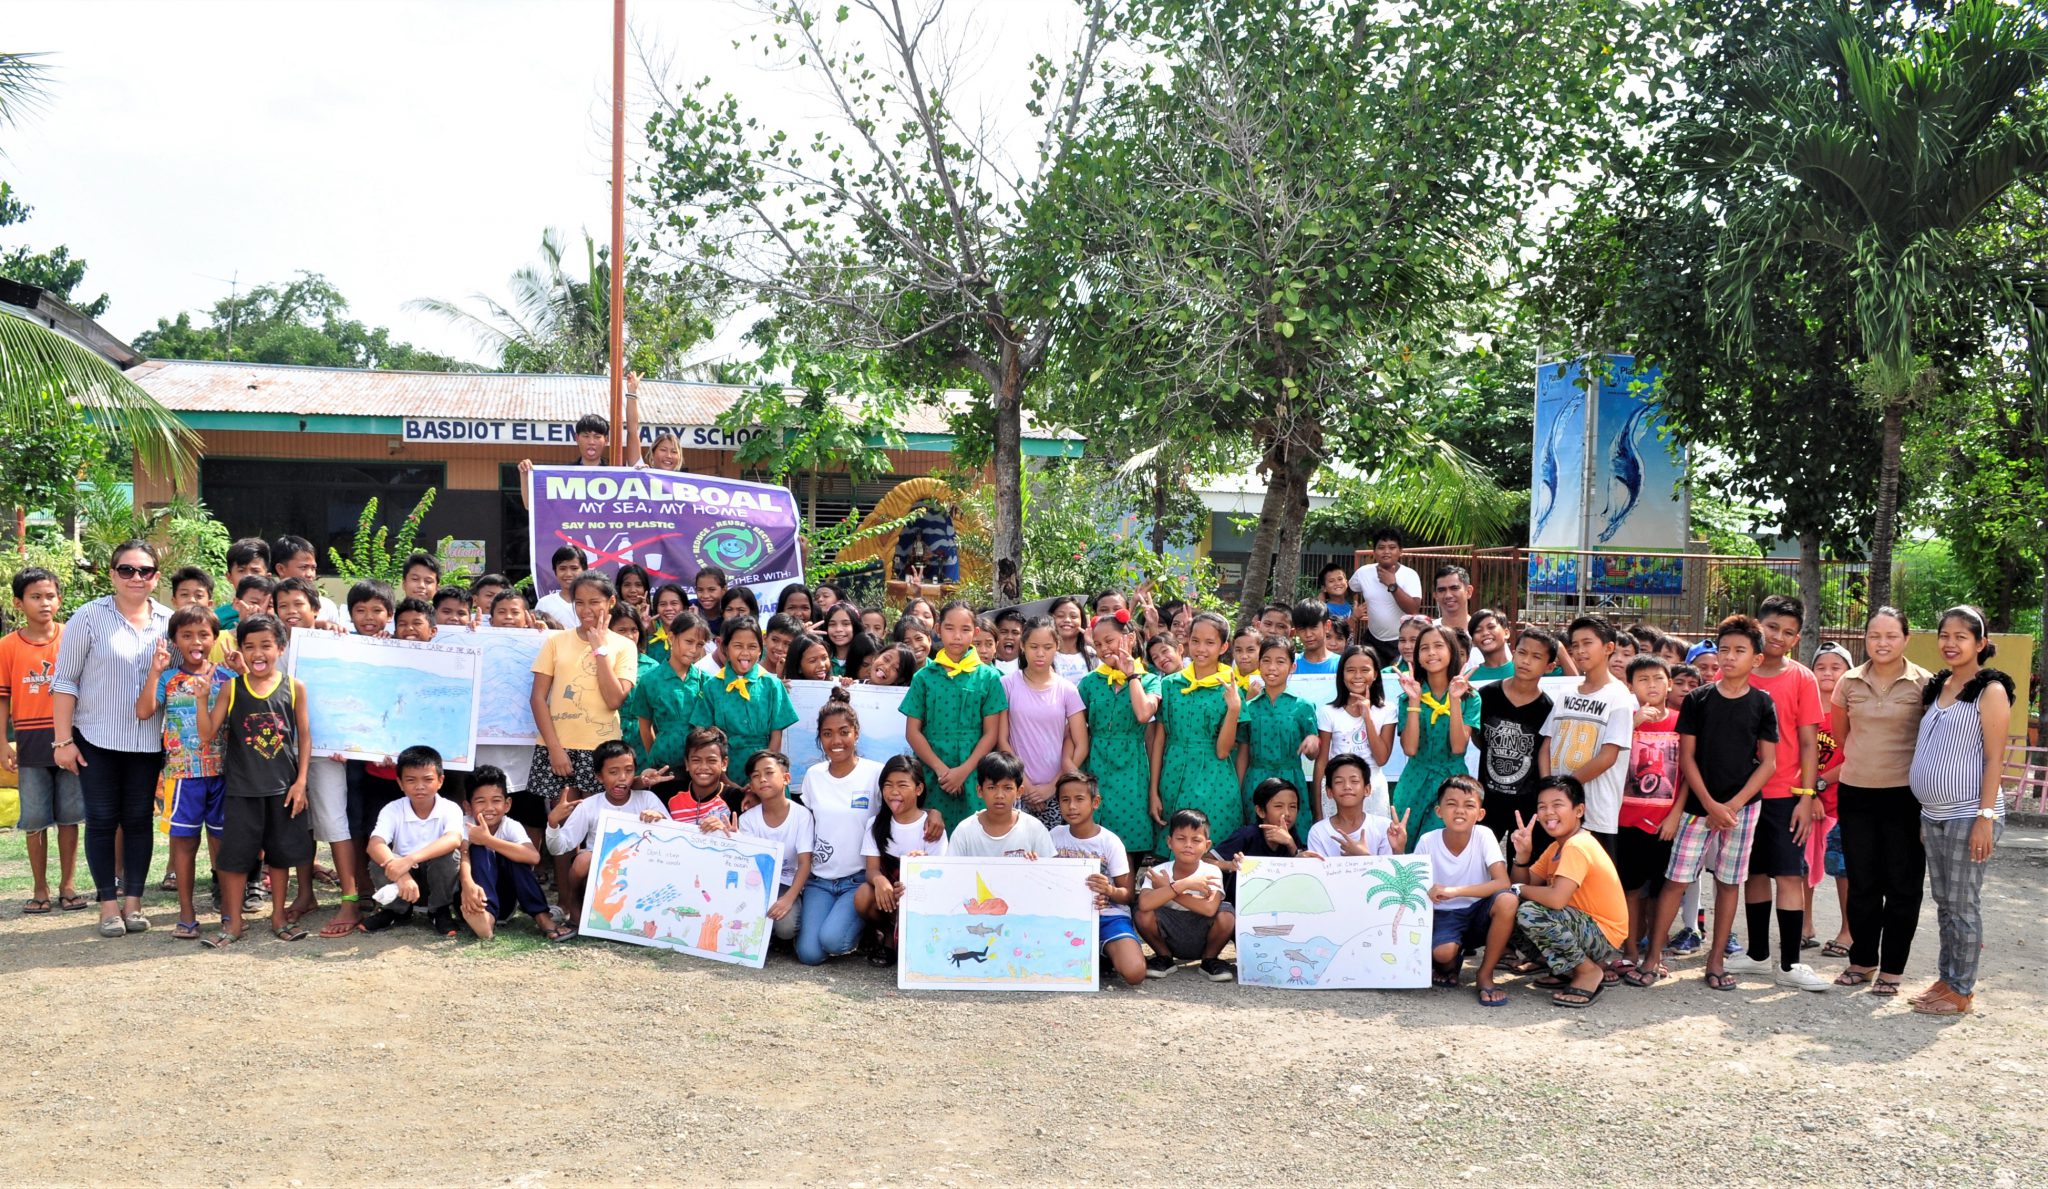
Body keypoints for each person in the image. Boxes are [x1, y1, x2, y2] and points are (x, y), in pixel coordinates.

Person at [1631, 615, 1778, 990]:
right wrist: (1711, 804)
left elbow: (1768, 763)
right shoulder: (1698, 700)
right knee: (1676, 880)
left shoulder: (1763, 703)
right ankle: (1653, 958)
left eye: (1739, 651)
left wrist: (1733, 805)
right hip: (1699, 809)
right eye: (1724, 649)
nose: (1729, 657)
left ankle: (1715, 962)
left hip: (1743, 810)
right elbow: (1688, 758)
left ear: (1756, 659)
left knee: (1729, 884)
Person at [51, 540, 171, 938]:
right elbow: (65, 681)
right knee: (102, 822)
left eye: (145, 571)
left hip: (148, 742)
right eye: (127, 570)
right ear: (112, 573)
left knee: (138, 822)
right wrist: (62, 740)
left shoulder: (169, 622)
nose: (136, 577)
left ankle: (134, 903)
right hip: (96, 739)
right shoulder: (87, 617)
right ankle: (107, 906)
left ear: (156, 576)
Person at [1907, 606, 2010, 1016]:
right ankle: (1948, 979)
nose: (1950, 643)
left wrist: (1985, 819)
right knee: (1945, 902)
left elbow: (1994, 758)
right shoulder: (1939, 687)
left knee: (1962, 903)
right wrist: (1925, 811)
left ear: (1980, 644)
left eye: (1961, 637)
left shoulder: (1991, 691)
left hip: (1970, 813)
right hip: (1934, 814)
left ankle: (1962, 990)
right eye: (1944, 635)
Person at [1829, 607, 1931, 994]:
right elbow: (1842, 736)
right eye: (1875, 636)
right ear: (1865, 639)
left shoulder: (1925, 683)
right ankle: (1862, 961)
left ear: (1906, 639)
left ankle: (1892, 970)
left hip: (1907, 796)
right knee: (1863, 883)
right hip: (1856, 793)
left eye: (1891, 636)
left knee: (1904, 885)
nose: (1882, 643)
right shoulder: (1849, 682)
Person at [193, 613, 312, 946]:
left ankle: (278, 916)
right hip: (243, 790)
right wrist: (202, 698)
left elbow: (304, 736)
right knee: (234, 859)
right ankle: (232, 923)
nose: (258, 654)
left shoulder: (294, 687)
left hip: (283, 789)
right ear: (240, 650)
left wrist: (301, 781)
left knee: (279, 856)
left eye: (266, 646)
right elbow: (207, 733)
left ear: (281, 648)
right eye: (250, 647)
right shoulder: (232, 688)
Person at [1732, 595, 1828, 992]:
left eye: (1789, 632)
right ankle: (1757, 955)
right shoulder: (1738, 672)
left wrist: (1807, 796)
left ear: (1797, 638)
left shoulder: (1802, 678)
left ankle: (1790, 963)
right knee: (1753, 874)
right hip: (1742, 794)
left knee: (1789, 876)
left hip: (1787, 794)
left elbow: (1809, 743)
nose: (1778, 637)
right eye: (1772, 627)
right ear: (1758, 624)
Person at [135, 605, 234, 939]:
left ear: (215, 638)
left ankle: (227, 910)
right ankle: (187, 912)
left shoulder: (227, 677)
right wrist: (154, 672)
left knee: (221, 844)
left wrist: (243, 669)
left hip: (222, 773)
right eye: (187, 635)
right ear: (174, 640)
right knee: (184, 845)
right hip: (181, 776)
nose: (196, 641)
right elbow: (144, 711)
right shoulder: (168, 678)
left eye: (204, 635)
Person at [1, 568, 84, 914]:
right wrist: (2, 743)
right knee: (34, 819)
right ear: (19, 602)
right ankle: (39, 888)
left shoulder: (72, 637)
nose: (44, 603)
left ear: (59, 599)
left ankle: (68, 884)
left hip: (70, 739)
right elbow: (2, 699)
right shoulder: (6, 646)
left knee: (69, 815)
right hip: (30, 742)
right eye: (35, 596)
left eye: (50, 596)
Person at [1506, 775, 1627, 1008]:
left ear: (1579, 810)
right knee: (1507, 904)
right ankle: (1564, 968)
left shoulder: (1577, 845)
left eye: (1557, 805)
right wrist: (1521, 856)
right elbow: (1526, 884)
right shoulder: (1556, 847)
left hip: (1602, 933)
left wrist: (1518, 889)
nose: (1548, 812)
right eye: (1542, 807)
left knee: (1529, 911)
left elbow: (1556, 899)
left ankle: (1588, 971)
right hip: (1580, 926)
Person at [529, 572, 639, 815]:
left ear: (611, 602)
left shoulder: (624, 646)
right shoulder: (555, 641)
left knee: (597, 824)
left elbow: (614, 700)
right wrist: (555, 749)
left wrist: (600, 650)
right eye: (579, 602)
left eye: (594, 602)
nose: (586, 609)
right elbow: (538, 698)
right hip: (557, 746)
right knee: (562, 821)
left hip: (602, 750)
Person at [794, 690, 885, 966]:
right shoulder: (813, 776)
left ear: (856, 733)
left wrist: (933, 814)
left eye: (844, 732)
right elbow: (805, 821)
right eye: (827, 734)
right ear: (820, 738)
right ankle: (841, 923)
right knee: (809, 955)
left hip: (857, 880)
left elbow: (901, 809)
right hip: (819, 881)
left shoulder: (875, 773)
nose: (836, 741)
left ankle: (868, 928)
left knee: (833, 940)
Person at [903, 601, 1008, 830]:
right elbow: (912, 732)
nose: (957, 636)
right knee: (932, 834)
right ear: (938, 629)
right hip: (932, 769)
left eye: (965, 629)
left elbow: (991, 733)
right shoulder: (924, 677)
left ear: (976, 632)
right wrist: (942, 770)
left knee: (975, 834)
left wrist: (963, 771)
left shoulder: (988, 677)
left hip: (975, 770)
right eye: (950, 628)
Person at [1537, 617, 1637, 853]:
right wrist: (1548, 788)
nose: (1580, 651)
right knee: (1551, 875)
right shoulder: (1567, 692)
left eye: (1587, 643)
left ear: (1608, 648)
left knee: (1591, 885)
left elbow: (1608, 756)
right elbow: (1547, 745)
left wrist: (1564, 788)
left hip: (1595, 812)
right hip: (1557, 808)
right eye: (1575, 645)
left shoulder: (1619, 696)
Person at [546, 739, 667, 928]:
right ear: (599, 777)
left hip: (641, 870)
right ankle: (575, 904)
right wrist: (553, 823)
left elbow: (672, 843)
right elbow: (559, 847)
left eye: (628, 770)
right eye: (613, 772)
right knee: (582, 860)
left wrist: (659, 818)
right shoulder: (589, 806)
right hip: (602, 872)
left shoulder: (647, 799)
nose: (622, 778)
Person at [1414, 775, 1513, 1001]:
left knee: (1507, 900)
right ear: (1439, 811)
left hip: (1478, 913)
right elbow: (1417, 888)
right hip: (1444, 916)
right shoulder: (1427, 841)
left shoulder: (1484, 835)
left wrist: (1454, 891)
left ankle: (1485, 975)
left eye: (1469, 805)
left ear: (1480, 814)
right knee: (1443, 953)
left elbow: (1502, 882)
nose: (1460, 811)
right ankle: (1449, 964)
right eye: (1451, 804)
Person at [1149, 612, 1244, 839]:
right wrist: (1153, 790)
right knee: (1174, 849)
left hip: (1214, 779)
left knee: (1209, 849)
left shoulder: (1230, 689)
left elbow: (1223, 751)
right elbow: (1160, 740)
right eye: (1195, 641)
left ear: (1223, 647)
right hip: (1173, 775)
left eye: (1210, 642)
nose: (1201, 648)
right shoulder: (1171, 684)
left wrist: (1233, 709)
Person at [1048, 770, 1147, 987]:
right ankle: (1098, 954)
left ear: (1096, 802)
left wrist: (1110, 891)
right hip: (1065, 916)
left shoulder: (1110, 842)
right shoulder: (1054, 836)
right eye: (1065, 800)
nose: (1072, 806)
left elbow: (1127, 895)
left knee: (1135, 972)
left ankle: (1103, 952)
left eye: (1079, 799)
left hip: (1107, 915)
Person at [1617, 655, 1682, 973]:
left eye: (1658, 678)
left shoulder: (1681, 722)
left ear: (1669, 682)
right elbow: (1609, 756)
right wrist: (1635, 722)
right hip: (1626, 819)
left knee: (1661, 890)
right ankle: (1629, 950)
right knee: (1629, 888)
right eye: (1642, 679)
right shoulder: (1623, 719)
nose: (1651, 685)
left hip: (1666, 822)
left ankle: (1655, 952)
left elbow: (1687, 775)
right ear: (1630, 686)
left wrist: (1675, 815)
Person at [357, 746, 466, 936]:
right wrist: (400, 873)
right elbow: (375, 843)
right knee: (378, 860)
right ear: (400, 783)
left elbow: (453, 839)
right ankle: (397, 911)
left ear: (440, 781)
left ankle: (439, 910)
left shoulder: (450, 808)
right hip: (403, 883)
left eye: (428, 779)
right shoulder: (392, 809)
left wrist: (409, 860)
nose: (419, 786)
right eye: (411, 780)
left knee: (449, 855)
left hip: (435, 879)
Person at [999, 616, 1089, 829]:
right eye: (1034, 647)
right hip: (1016, 787)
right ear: (1023, 646)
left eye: (1047, 647)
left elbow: (1081, 743)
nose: (1040, 653)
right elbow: (1002, 740)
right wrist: (1025, 784)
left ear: (1057, 646)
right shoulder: (1007, 685)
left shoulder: (1067, 689)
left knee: (1054, 856)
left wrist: (1054, 785)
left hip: (1058, 790)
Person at [856, 755, 946, 966]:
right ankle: (887, 933)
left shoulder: (931, 826)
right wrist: (880, 881)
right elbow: (871, 870)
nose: (894, 792)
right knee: (862, 896)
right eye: (888, 785)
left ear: (918, 789)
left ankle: (908, 941)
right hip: (887, 899)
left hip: (921, 898)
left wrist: (920, 867)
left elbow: (939, 876)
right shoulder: (875, 824)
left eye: (902, 785)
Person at [687, 616, 798, 786]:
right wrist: (725, 780)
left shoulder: (772, 685)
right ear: (725, 648)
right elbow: (704, 735)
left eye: (752, 647)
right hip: (726, 772)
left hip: (766, 773)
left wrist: (764, 773)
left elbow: (776, 735)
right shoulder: (712, 686)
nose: (745, 653)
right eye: (738, 646)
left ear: (761, 650)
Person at [1393, 623, 1479, 839]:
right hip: (1414, 780)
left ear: (1451, 650)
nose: (1431, 653)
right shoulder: (1408, 696)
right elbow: (1410, 749)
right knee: (1408, 845)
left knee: (1443, 845)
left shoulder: (1470, 697)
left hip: (1451, 783)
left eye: (1438, 646)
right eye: (1424, 648)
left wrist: (1455, 700)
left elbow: (1459, 747)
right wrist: (1414, 700)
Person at [1134, 808, 1235, 981]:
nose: (1188, 845)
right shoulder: (1159, 871)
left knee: (1226, 914)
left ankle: (1210, 960)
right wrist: (1185, 884)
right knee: (1141, 913)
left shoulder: (1212, 870)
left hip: (1203, 932)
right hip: (1168, 933)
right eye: (1181, 839)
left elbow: (1210, 909)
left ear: (1207, 846)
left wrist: (1170, 889)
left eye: (1196, 840)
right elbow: (1144, 904)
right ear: (1169, 842)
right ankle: (1164, 958)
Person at [1477, 629, 1557, 842]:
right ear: (1513, 653)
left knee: (1521, 862)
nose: (1526, 661)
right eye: (1522, 653)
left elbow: (1543, 754)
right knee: (1480, 857)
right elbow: (1479, 739)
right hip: (1487, 799)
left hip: (1526, 804)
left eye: (1536, 657)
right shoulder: (1486, 695)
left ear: (1550, 667)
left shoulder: (1548, 709)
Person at [623, 608, 713, 796]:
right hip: (665, 765)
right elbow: (645, 727)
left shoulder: (706, 681)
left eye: (700, 644)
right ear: (672, 638)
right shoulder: (650, 680)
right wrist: (656, 754)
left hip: (700, 765)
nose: (693, 650)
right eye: (688, 641)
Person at [735, 750, 813, 946]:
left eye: (769, 773)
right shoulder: (747, 820)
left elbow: (805, 863)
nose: (762, 779)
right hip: (756, 884)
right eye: (755, 776)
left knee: (786, 929)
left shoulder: (802, 816)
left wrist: (788, 899)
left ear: (786, 778)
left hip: (788, 884)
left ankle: (780, 934)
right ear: (751, 786)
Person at [1312, 644, 1396, 822]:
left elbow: (1381, 758)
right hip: (1338, 787)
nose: (1357, 676)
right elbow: (1321, 763)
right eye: (1350, 670)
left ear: (1375, 674)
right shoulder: (1328, 711)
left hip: (1372, 787)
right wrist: (1318, 810)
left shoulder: (1388, 710)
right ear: (1342, 675)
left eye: (1365, 670)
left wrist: (1367, 717)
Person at [1238, 634, 1321, 812]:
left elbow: (1313, 754)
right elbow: (1243, 753)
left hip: (1291, 781)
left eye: (1280, 661)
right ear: (1259, 665)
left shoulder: (1303, 706)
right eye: (1266, 661)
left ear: (1293, 667)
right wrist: (1239, 790)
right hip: (1256, 781)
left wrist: (1313, 743)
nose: (1272, 667)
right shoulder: (1250, 707)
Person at [1806, 641, 1853, 953]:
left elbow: (1857, 755)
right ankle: (1804, 924)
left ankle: (1848, 932)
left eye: (1836, 667)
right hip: (1806, 802)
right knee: (1801, 866)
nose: (1827, 673)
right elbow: (1795, 754)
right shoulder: (1804, 709)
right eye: (1821, 667)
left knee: (1844, 869)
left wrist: (1820, 784)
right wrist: (1809, 794)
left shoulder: (1852, 711)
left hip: (1843, 802)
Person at [946, 750, 1055, 858]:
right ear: (980, 791)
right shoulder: (964, 831)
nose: (999, 795)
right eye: (992, 788)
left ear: (1019, 792)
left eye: (1007, 788)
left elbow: (1049, 872)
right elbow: (952, 872)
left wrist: (1035, 864)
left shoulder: (1034, 828)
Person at [1305, 753, 1406, 857]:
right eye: (1339, 782)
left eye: (1354, 781)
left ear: (1367, 789)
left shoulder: (1385, 827)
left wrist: (1398, 851)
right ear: (1329, 791)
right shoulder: (1318, 832)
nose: (1347, 786)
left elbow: (1390, 871)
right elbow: (1318, 872)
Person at [1350, 527, 1422, 668]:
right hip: (1372, 639)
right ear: (1374, 552)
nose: (1386, 551)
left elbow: (1413, 609)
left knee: (1399, 680)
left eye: (1392, 547)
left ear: (1400, 551)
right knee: (1371, 679)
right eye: (1381, 547)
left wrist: (1392, 585)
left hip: (1400, 642)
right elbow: (1350, 588)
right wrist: (1355, 609)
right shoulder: (1363, 573)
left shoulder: (1410, 575)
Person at [270, 534, 341, 623]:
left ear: (316, 610)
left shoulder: (326, 606)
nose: (310, 574)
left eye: (313, 568)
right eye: (303, 567)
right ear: (281, 569)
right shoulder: (267, 605)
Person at [212, 538, 270, 634]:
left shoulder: (279, 614)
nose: (248, 576)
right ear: (229, 577)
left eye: (255, 571)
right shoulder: (217, 617)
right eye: (241, 570)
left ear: (267, 577)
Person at [531, 545, 588, 627]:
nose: (568, 574)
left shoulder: (593, 603)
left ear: (584, 570)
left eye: (574, 568)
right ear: (555, 572)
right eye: (562, 568)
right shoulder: (544, 604)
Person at [1046, 596, 1093, 683]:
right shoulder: (1044, 656)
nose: (1067, 620)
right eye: (1060, 616)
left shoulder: (1092, 654)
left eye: (1073, 616)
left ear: (1081, 621)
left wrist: (1093, 643)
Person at [1430, 564, 1474, 635]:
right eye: (1442, 590)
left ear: (1469, 591)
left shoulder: (1480, 632)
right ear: (1436, 595)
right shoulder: (1428, 632)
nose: (1448, 595)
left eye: (1454, 588)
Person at [819, 603, 861, 675]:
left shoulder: (863, 659)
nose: (838, 629)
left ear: (855, 626)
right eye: (832, 624)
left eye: (846, 624)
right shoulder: (820, 658)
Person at [991, 606, 1025, 676]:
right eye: (1004, 632)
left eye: (1015, 633)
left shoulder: (1030, 668)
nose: (1009, 637)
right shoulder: (984, 666)